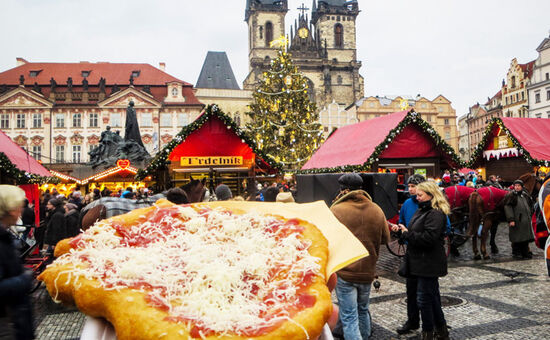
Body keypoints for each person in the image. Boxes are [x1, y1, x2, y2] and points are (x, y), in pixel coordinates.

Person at [330, 173, 389, 339]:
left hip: (345, 270)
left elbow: (328, 239)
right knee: (362, 310)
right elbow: (386, 238)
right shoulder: (376, 209)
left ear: (344, 190)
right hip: (368, 270)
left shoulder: (336, 209)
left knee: (349, 315)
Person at [392, 181, 450, 340]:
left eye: (420, 195)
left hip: (428, 263)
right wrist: (401, 232)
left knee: (424, 299)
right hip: (418, 261)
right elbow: (415, 233)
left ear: (431, 195)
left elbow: (429, 238)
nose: (416, 197)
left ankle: (428, 332)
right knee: (431, 297)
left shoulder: (435, 213)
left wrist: (407, 234)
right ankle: (442, 330)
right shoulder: (422, 210)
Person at [0, 185, 35, 340]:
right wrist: (25, 279)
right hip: (7, 323)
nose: (21, 211)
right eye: (19, 207)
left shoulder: (4, 235)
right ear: (10, 209)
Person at [394, 174, 426, 336]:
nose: (410, 189)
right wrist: (400, 231)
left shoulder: (431, 204)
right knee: (411, 290)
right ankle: (412, 320)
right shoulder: (407, 203)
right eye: (410, 186)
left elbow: (444, 229)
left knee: (427, 292)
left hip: (426, 255)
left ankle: (432, 324)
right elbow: (402, 222)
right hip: (410, 253)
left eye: (414, 186)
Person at [503, 179, 535, 259]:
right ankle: (518, 253)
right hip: (517, 220)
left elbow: (530, 205)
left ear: (522, 187)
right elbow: (508, 207)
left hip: (526, 220)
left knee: (525, 237)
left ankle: (524, 252)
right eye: (515, 186)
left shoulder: (525, 195)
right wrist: (511, 219)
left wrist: (531, 214)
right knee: (518, 237)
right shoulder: (511, 195)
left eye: (518, 186)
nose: (517, 187)